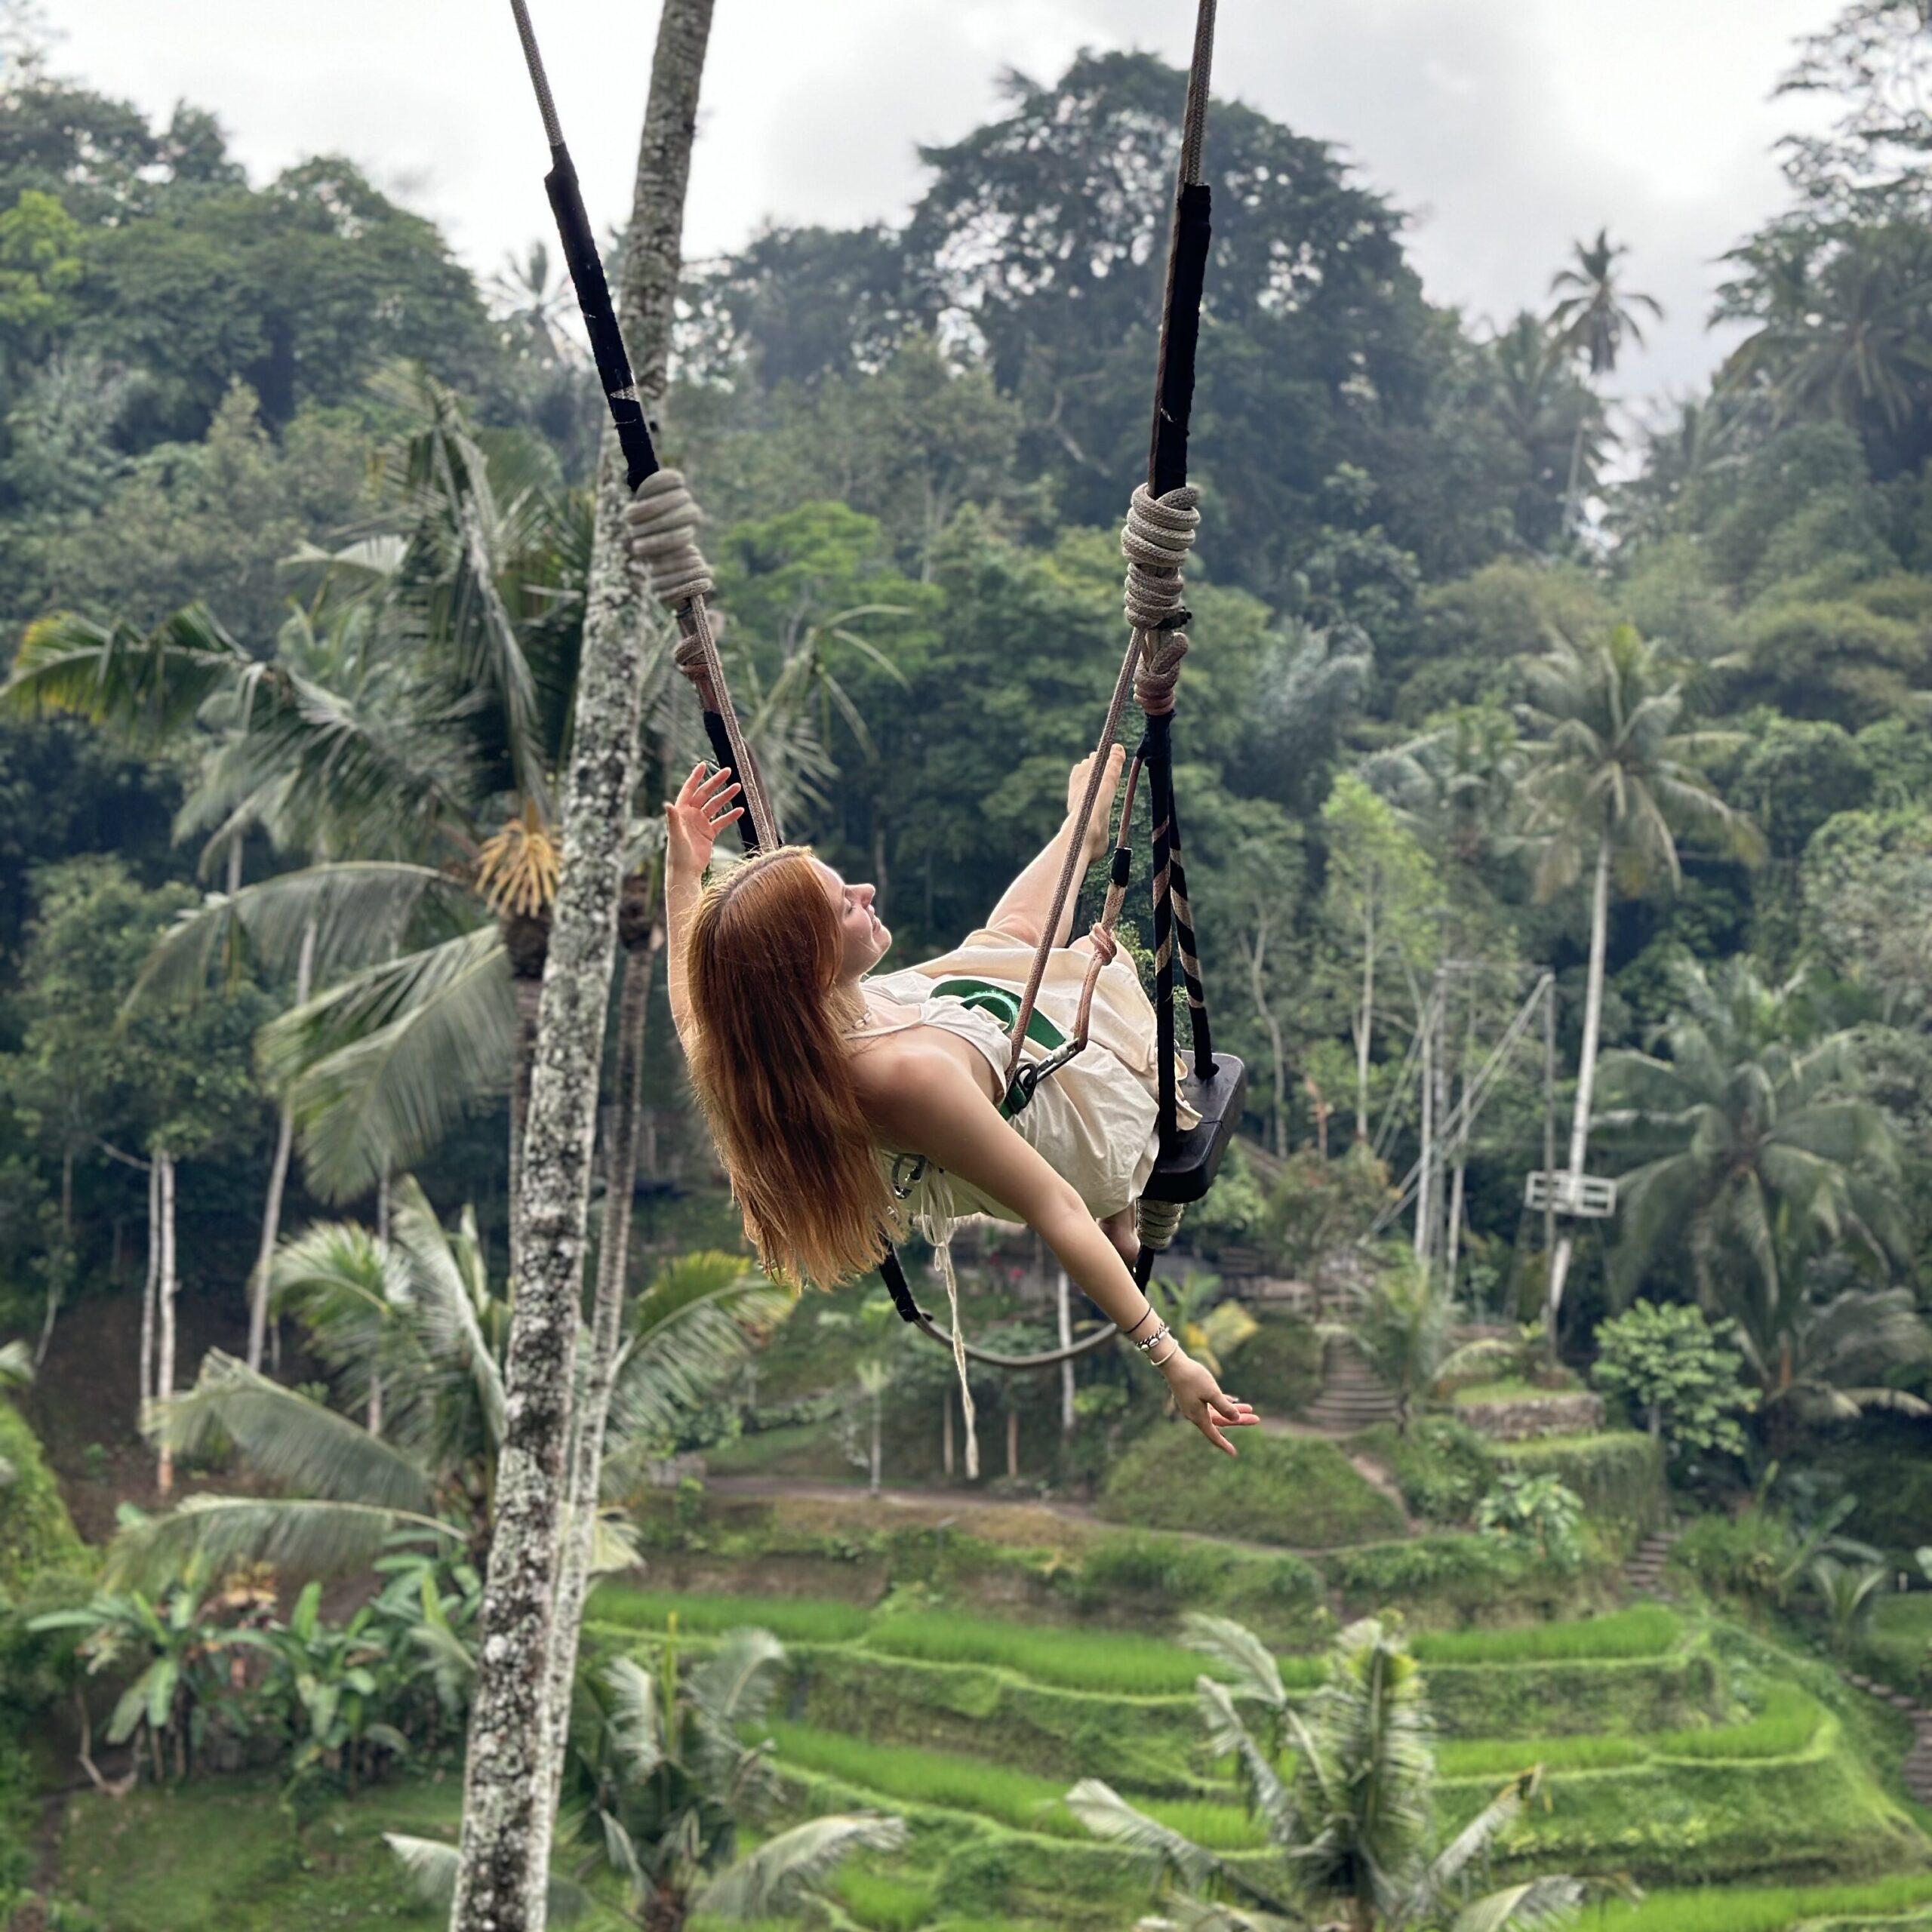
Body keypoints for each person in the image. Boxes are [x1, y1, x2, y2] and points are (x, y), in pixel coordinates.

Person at [662, 752, 1260, 1459]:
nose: (867, 890)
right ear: (812, 966)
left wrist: (684, 876)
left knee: (998, 950)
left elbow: (690, 1005)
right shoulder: (901, 1078)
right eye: (843, 906)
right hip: (1073, 1131)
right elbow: (1055, 1208)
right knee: (1034, 965)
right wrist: (1171, 1357)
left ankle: (1081, 832)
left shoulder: (769, 1029)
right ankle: (1123, 1221)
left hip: (965, 1029)